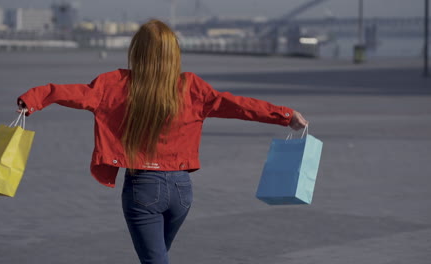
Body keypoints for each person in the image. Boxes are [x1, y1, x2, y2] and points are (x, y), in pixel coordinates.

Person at [16, 19, 308, 264]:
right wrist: (284, 115)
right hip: (182, 191)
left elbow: (67, 92)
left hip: (143, 188)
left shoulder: (114, 84)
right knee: (157, 257)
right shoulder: (192, 87)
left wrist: (32, 99)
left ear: (137, 52)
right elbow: (239, 105)